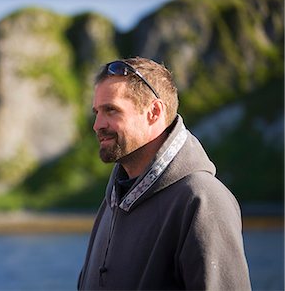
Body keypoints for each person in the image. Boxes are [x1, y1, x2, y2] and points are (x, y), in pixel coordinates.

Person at [77, 57, 251, 290]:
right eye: (97, 112)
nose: (97, 124)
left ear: (154, 112)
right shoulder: (114, 199)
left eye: (111, 110)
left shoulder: (203, 200)